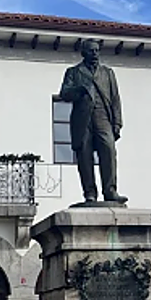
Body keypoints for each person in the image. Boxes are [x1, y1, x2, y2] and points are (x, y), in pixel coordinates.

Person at [59, 39, 127, 205]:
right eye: (91, 51)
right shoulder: (74, 72)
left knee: (109, 151)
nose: (95, 54)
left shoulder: (108, 73)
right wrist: (79, 90)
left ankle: (110, 190)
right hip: (83, 120)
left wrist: (117, 123)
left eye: (97, 50)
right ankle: (89, 192)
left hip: (103, 116)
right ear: (84, 53)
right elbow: (64, 94)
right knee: (84, 155)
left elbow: (115, 99)